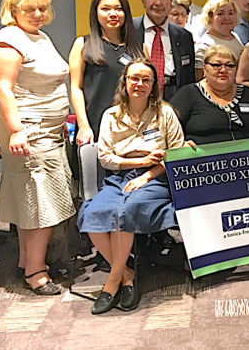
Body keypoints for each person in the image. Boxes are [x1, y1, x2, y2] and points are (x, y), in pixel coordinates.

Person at [78, 58, 185, 314]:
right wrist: (136, 162)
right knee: (93, 214)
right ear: (124, 82)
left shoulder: (165, 113)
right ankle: (126, 274)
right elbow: (105, 157)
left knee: (126, 211)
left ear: (154, 85)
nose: (139, 84)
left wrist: (146, 174)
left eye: (146, 79)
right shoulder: (110, 115)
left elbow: (175, 153)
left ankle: (111, 283)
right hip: (119, 177)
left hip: (156, 178)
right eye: (134, 78)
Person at [0, 0, 74, 295]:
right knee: (41, 202)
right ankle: (37, 273)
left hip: (47, 132)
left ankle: (27, 261)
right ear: (13, 11)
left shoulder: (38, 36)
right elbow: (3, 89)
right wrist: (16, 130)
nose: (38, 14)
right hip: (28, 132)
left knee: (33, 199)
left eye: (43, 8)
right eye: (30, 9)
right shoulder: (8, 41)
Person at [70, 0, 145, 148]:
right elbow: (76, 88)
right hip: (94, 125)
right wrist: (83, 125)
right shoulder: (83, 44)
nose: (113, 14)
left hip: (132, 126)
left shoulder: (139, 48)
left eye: (118, 9)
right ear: (95, 13)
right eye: (105, 9)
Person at [171, 44, 249, 144]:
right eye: (216, 65)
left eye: (229, 65)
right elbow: (169, 130)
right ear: (205, 69)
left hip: (247, 158)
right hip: (204, 159)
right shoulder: (188, 94)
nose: (223, 70)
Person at [133, 0, 196, 101]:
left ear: (171, 1)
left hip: (174, 96)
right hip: (138, 95)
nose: (158, 3)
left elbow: (189, 78)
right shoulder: (129, 30)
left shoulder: (184, 36)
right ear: (143, 1)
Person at [194, 0, 244, 79]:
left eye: (231, 13)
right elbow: (200, 79)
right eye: (220, 14)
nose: (227, 18)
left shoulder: (235, 36)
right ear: (210, 17)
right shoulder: (204, 45)